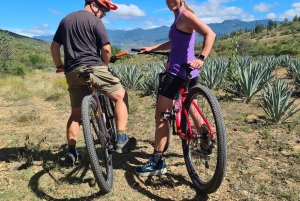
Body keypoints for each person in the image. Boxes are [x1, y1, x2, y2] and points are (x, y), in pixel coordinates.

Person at [51, 0, 136, 167]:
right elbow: (106, 50)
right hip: (94, 67)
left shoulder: (65, 20)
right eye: (103, 9)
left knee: (76, 114)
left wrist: (59, 67)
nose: (104, 13)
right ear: (93, 4)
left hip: (72, 71)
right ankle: (121, 138)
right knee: (120, 96)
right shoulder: (95, 21)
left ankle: (71, 151)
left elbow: (54, 47)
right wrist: (103, 67)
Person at [135, 0, 216, 176]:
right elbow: (175, 43)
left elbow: (210, 34)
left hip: (177, 73)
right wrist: (152, 48)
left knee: (162, 115)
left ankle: (157, 161)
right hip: (190, 73)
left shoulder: (185, 15)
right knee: (190, 105)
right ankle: (205, 141)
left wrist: (201, 58)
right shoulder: (180, 17)